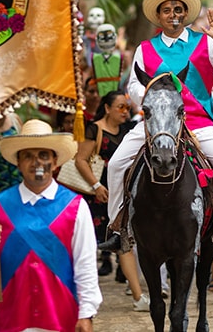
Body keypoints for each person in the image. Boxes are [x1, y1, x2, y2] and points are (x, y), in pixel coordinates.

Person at [100, 0, 213, 256]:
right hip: (156, 124)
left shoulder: (205, 42)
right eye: (167, 10)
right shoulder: (145, 49)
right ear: (159, 16)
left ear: (186, 14)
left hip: (198, 122)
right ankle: (118, 228)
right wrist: (152, 98)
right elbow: (133, 84)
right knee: (117, 163)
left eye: (178, 9)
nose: (173, 14)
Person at [0, 119, 101, 332]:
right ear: (18, 163)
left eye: (43, 155)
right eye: (28, 156)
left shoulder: (75, 207)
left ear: (55, 162)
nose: (36, 162)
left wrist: (87, 312)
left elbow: (84, 263)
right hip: (13, 318)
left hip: (61, 317)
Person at [74, 91, 149, 312]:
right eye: (120, 107)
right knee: (85, 245)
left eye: (127, 107)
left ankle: (138, 295)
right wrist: (96, 186)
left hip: (121, 197)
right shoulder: (94, 129)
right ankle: (80, 294)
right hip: (96, 196)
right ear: (107, 108)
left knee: (123, 243)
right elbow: (80, 160)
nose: (125, 112)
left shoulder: (129, 131)